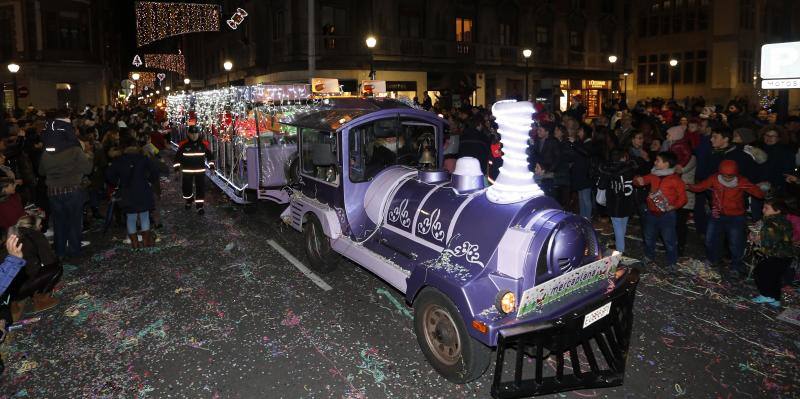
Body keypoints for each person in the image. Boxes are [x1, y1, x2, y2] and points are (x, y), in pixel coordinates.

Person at [688, 160, 765, 277]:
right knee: (710, 239)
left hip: (736, 217)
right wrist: (688, 186)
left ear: (736, 174)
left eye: (731, 176)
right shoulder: (714, 178)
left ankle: (736, 266)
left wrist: (760, 189)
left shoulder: (742, 181)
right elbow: (700, 187)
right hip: (717, 215)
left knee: (735, 243)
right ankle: (712, 260)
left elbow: (759, 194)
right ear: (720, 173)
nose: (728, 178)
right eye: (725, 175)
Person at [38, 110, 94, 259]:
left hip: (53, 191)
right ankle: (75, 251)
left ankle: (60, 252)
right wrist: (89, 156)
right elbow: (88, 169)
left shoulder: (46, 151)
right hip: (73, 189)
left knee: (59, 223)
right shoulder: (75, 149)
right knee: (74, 223)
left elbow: (41, 172)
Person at [634, 151, 687, 268]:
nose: (655, 162)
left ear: (666, 164)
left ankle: (672, 262)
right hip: (651, 213)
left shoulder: (675, 180)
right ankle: (649, 256)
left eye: (658, 160)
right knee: (648, 237)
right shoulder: (653, 175)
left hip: (667, 215)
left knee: (669, 240)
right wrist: (638, 181)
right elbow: (639, 181)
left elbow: (683, 198)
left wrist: (674, 206)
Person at [107, 136, 160, 248]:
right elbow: (155, 170)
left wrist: (118, 182)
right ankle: (146, 242)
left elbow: (109, 175)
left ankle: (135, 243)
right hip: (143, 190)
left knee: (131, 217)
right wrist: (150, 180)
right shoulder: (143, 158)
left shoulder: (119, 160)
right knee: (144, 215)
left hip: (127, 191)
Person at [8, 215, 62, 321]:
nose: (41, 226)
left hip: (4, 287)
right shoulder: (35, 235)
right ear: (32, 226)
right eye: (39, 224)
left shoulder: (11, 234)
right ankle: (41, 300)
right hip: (19, 287)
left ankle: (11, 303)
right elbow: (49, 261)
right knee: (57, 268)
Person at [750, 198, 795, 308]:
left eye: (766, 208)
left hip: (776, 255)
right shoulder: (784, 221)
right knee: (774, 277)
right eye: (763, 207)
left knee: (761, 273)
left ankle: (766, 295)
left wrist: (756, 238)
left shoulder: (770, 223)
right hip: (786, 255)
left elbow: (768, 242)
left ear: (777, 210)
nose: (763, 210)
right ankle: (775, 299)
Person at [598, 149, 637, 253]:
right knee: (623, 223)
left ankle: (620, 250)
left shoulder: (609, 170)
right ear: (623, 157)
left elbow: (601, 185)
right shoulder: (631, 168)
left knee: (617, 225)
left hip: (614, 202)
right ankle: (621, 245)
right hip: (628, 200)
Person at [174, 126, 214, 215]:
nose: (194, 136)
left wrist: (212, 167)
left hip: (200, 172)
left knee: (200, 189)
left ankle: (199, 206)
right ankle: (189, 200)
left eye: (196, 133)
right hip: (187, 172)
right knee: (186, 189)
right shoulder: (183, 145)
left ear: (198, 134)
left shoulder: (203, 145)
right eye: (192, 133)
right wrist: (176, 170)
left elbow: (210, 157)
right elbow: (177, 158)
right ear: (188, 134)